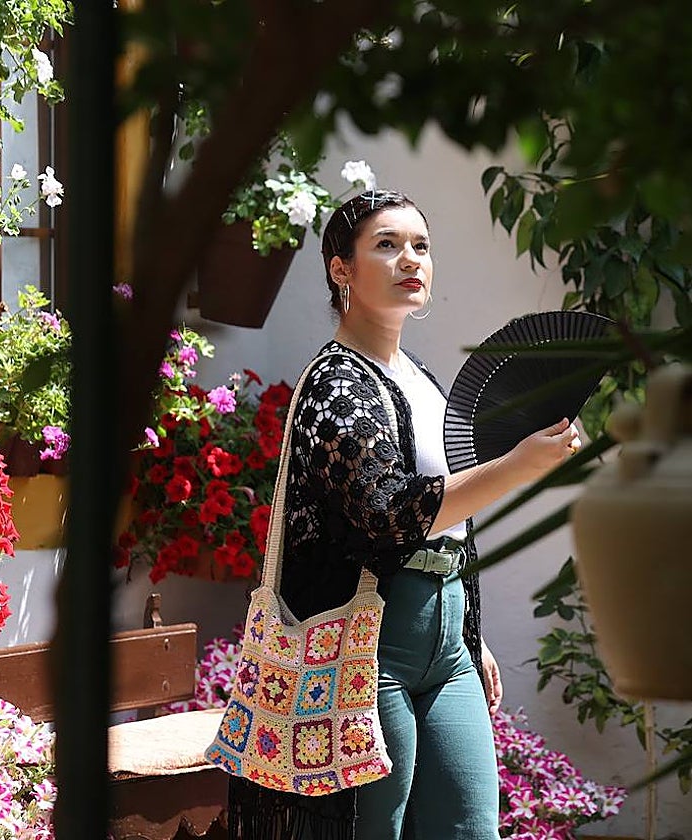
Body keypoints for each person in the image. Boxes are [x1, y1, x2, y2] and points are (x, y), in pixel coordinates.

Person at [228, 189, 582, 840]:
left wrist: (473, 636)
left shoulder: (420, 377)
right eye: (386, 245)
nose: (409, 259)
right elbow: (392, 513)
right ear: (341, 270)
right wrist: (518, 467)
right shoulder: (336, 385)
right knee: (371, 830)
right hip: (365, 648)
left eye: (420, 246)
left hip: (446, 646)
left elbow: (454, 521)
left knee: (472, 828)